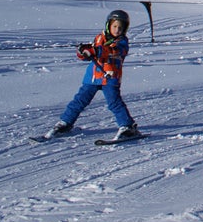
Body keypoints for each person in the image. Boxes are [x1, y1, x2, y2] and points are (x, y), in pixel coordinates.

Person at [47, 9, 140, 140]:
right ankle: (65, 123)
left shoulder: (122, 42)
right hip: (92, 77)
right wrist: (83, 52)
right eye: (114, 26)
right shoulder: (99, 38)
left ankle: (128, 126)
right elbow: (90, 55)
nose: (117, 30)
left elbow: (113, 51)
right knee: (79, 100)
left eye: (120, 27)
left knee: (114, 102)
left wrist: (96, 50)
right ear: (108, 25)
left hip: (110, 77)